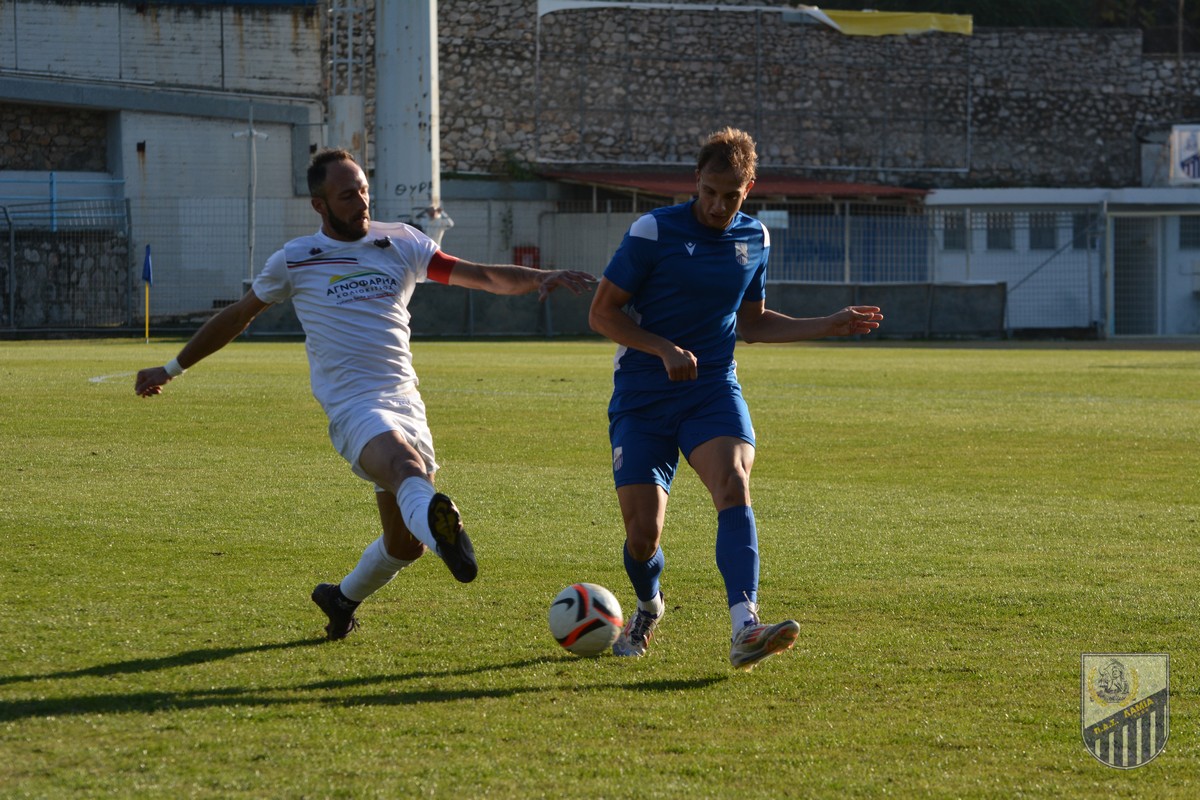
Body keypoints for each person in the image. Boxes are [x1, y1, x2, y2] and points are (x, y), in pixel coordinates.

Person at [136, 148, 594, 641]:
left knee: (403, 544)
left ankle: (341, 598)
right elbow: (237, 317)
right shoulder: (295, 259)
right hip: (354, 406)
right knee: (406, 469)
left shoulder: (401, 243)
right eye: (347, 195)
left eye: (363, 190)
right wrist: (171, 367)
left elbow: (478, 275)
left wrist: (539, 277)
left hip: (406, 401)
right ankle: (451, 539)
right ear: (319, 205)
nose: (361, 202)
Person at [588, 127, 883, 671]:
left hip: (712, 389)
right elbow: (602, 312)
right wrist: (662, 348)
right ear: (695, 181)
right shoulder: (653, 231)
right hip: (643, 396)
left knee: (734, 482)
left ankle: (745, 624)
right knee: (642, 533)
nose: (719, 205)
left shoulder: (755, 239)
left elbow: (753, 323)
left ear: (750, 188)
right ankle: (649, 607)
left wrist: (829, 325)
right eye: (710, 192)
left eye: (732, 195)